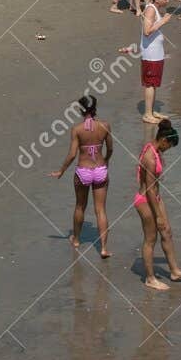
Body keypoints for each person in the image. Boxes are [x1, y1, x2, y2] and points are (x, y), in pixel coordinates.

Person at [132, 118, 181, 290]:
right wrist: (158, 215)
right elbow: (151, 191)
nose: (168, 150)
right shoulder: (150, 158)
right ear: (163, 140)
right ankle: (150, 278)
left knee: (167, 232)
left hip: (155, 198)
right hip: (146, 201)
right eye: (169, 146)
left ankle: (174, 271)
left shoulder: (155, 147)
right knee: (150, 239)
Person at [53, 94, 113, 258]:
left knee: (80, 206)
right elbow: (110, 148)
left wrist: (61, 170)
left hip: (83, 171)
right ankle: (104, 248)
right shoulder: (105, 126)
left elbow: (72, 154)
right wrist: (106, 160)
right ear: (95, 109)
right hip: (100, 170)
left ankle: (77, 239)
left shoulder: (77, 130)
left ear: (81, 110)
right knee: (100, 210)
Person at [129, 0, 172, 123]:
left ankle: (151, 111)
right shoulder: (150, 9)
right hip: (151, 56)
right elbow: (147, 31)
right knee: (150, 84)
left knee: (154, 84)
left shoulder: (154, 10)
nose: (167, 0)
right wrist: (162, 22)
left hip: (156, 55)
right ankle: (147, 115)